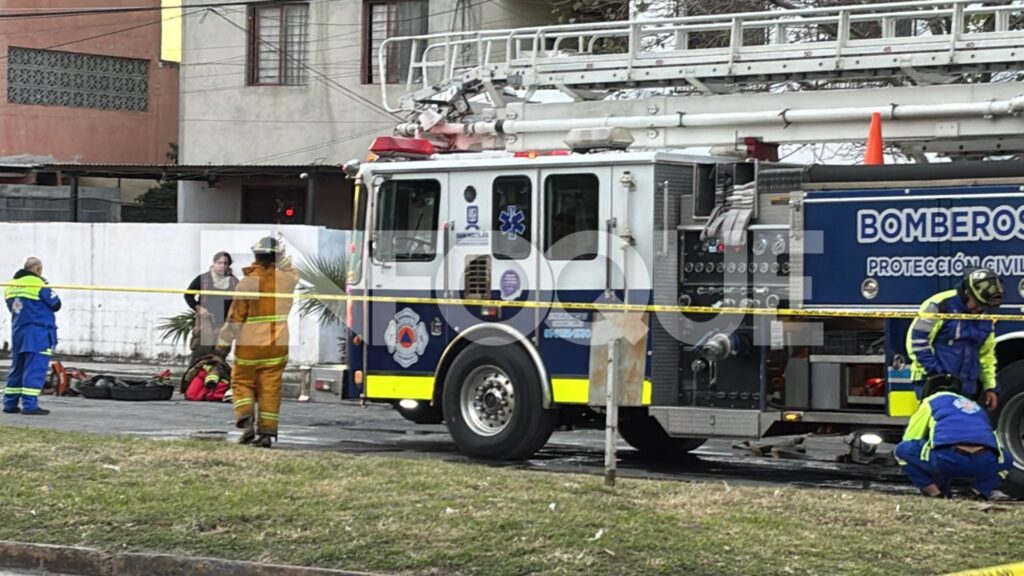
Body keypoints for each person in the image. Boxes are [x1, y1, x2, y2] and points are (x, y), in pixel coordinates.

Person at [215, 237, 298, 448]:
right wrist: (282, 259)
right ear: (276, 257)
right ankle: (267, 434)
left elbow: (235, 317)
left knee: (242, 383)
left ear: (256, 256)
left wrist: (223, 345)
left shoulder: (248, 283)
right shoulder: (285, 280)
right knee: (270, 388)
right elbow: (293, 272)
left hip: (249, 347)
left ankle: (246, 420)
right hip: (277, 346)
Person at [894, 374, 1013, 499]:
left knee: (903, 450)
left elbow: (911, 437)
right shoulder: (975, 406)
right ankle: (977, 491)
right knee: (1007, 459)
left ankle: (934, 493)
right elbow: (992, 440)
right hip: (983, 462)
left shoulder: (930, 402)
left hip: (948, 459)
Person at [906, 268, 1003, 411]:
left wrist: (991, 387)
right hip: (933, 383)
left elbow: (986, 355)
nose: (980, 310)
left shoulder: (985, 315)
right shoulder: (941, 305)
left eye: (984, 307)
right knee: (936, 429)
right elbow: (917, 341)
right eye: (978, 305)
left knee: (958, 430)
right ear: (967, 293)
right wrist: (937, 374)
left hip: (965, 386)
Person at [3, 257, 61, 416]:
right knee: (34, 368)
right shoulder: (38, 284)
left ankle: (10, 403)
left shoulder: (10, 286)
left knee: (18, 368)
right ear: (38, 269)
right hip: (38, 333)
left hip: (18, 332)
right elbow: (56, 304)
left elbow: (13, 308)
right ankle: (29, 405)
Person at [185, 252, 239, 364]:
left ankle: (217, 378)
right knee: (201, 349)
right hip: (205, 319)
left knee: (220, 352)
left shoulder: (234, 281)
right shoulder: (203, 278)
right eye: (219, 262)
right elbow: (188, 295)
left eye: (225, 263)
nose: (222, 266)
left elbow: (239, 302)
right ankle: (195, 377)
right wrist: (198, 308)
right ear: (214, 263)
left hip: (224, 322)